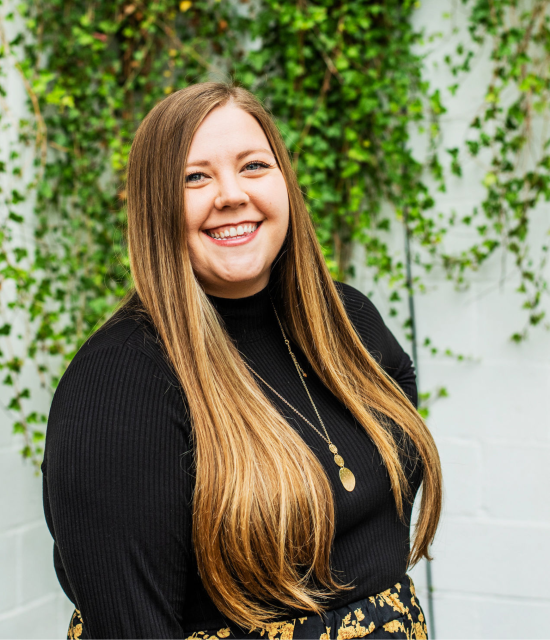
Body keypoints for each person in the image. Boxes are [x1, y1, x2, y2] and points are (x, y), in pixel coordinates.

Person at [43, 82, 442, 640]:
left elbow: (396, 444)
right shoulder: (121, 385)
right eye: (195, 177)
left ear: (284, 182)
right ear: (155, 206)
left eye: (253, 165)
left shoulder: (348, 321)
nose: (231, 194)